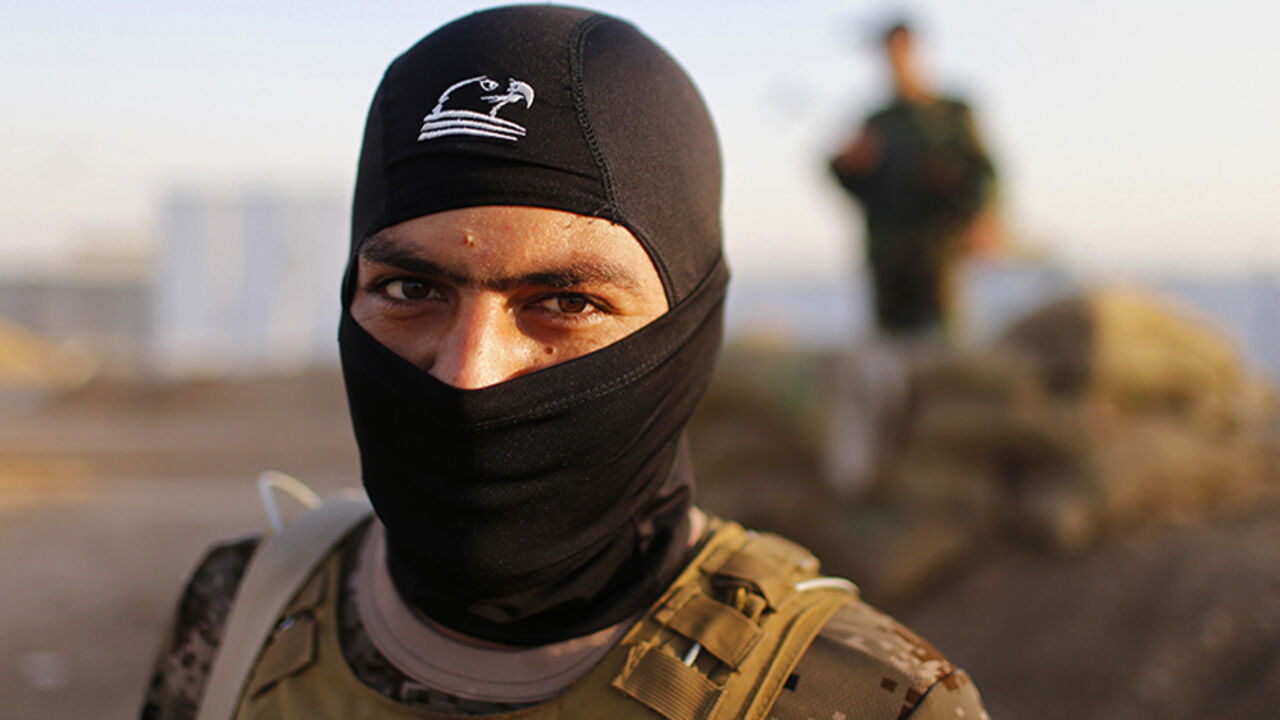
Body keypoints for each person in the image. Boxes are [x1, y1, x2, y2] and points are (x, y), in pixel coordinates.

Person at [141, 6, 990, 719]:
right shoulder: (241, 614)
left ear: (692, 325)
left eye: (569, 303)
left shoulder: (876, 700)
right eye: (409, 289)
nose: (466, 376)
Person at [830, 20, 997, 341]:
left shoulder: (953, 113)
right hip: (888, 260)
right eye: (890, 54)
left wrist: (981, 218)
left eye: (902, 51)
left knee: (946, 346)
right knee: (893, 354)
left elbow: (983, 174)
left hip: (940, 254)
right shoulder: (875, 123)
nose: (897, 61)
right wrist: (846, 167)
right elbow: (861, 190)